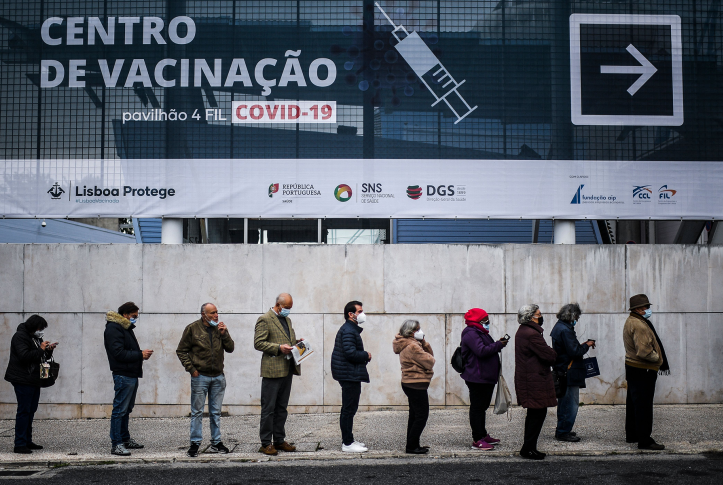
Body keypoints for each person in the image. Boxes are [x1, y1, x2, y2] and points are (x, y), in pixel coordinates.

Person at [176, 302, 235, 457]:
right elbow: (181, 351)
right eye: (212, 313)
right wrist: (192, 369)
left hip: (218, 376)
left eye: (217, 312)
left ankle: (216, 442)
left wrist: (225, 334)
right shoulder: (192, 329)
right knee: (197, 412)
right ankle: (195, 443)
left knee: (215, 412)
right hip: (200, 376)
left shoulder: (219, 329)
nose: (216, 315)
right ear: (204, 314)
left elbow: (230, 348)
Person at [254, 293, 303, 456]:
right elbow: (258, 343)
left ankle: (279, 440)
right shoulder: (265, 319)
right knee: (269, 408)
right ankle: (266, 443)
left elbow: (287, 341)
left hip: (287, 369)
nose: (288, 311)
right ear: (278, 305)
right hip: (272, 370)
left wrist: (297, 343)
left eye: (290, 308)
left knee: (282, 408)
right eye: (287, 308)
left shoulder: (287, 320)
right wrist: (278, 348)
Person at [104, 302, 154, 456]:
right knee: (120, 410)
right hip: (123, 374)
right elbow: (118, 353)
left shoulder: (124, 327)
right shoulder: (114, 328)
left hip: (130, 374)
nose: (135, 319)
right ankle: (117, 444)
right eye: (133, 316)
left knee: (126, 410)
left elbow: (126, 350)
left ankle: (124, 439)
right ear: (125, 314)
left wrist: (140, 354)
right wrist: (140, 354)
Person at [4, 315, 57, 454]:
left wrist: (48, 349)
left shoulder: (35, 337)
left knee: (31, 410)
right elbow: (24, 356)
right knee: (24, 410)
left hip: (33, 378)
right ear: (33, 326)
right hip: (22, 378)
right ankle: (19, 443)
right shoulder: (20, 337)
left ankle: (27, 440)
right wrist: (40, 349)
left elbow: (39, 356)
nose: (41, 331)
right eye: (40, 328)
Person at [623, 294, 669, 451]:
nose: (649, 310)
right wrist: (658, 359)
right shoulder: (640, 325)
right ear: (638, 309)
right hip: (643, 369)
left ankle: (632, 434)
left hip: (633, 368)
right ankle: (645, 440)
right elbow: (644, 352)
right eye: (646, 307)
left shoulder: (631, 320)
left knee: (634, 403)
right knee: (643, 405)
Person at [460, 308, 508, 451]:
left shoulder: (480, 332)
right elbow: (481, 351)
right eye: (485, 320)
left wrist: (498, 343)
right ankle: (477, 439)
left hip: (485, 377)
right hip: (477, 377)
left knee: (482, 407)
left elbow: (486, 347)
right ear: (478, 321)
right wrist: (499, 345)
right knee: (477, 408)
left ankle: (483, 434)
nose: (488, 323)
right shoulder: (470, 333)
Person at [514, 304, 557, 460]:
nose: (541, 316)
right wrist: (553, 352)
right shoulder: (532, 334)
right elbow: (549, 355)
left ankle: (529, 447)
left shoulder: (523, 331)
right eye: (538, 315)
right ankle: (528, 448)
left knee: (535, 413)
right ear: (530, 317)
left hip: (530, 378)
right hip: (534, 379)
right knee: (537, 414)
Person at [550, 303, 595, 442]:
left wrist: (582, 345)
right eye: (577, 316)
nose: (577, 319)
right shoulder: (566, 330)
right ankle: (563, 432)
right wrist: (586, 345)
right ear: (571, 316)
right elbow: (574, 352)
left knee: (565, 402)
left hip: (563, 370)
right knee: (570, 403)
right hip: (568, 372)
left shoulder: (559, 327)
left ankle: (564, 429)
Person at [331, 300, 371, 453]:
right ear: (351, 314)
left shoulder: (350, 329)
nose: (362, 314)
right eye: (359, 311)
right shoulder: (348, 330)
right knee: (348, 409)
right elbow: (350, 353)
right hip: (348, 374)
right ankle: (347, 443)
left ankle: (350, 440)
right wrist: (366, 355)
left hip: (349, 373)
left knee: (350, 408)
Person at [393, 319, 435, 454]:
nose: (420, 331)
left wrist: (423, 342)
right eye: (417, 329)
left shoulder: (406, 343)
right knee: (422, 415)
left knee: (414, 415)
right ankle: (411, 445)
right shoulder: (413, 346)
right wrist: (424, 344)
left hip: (409, 382)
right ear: (410, 332)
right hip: (416, 383)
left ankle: (413, 444)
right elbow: (430, 361)